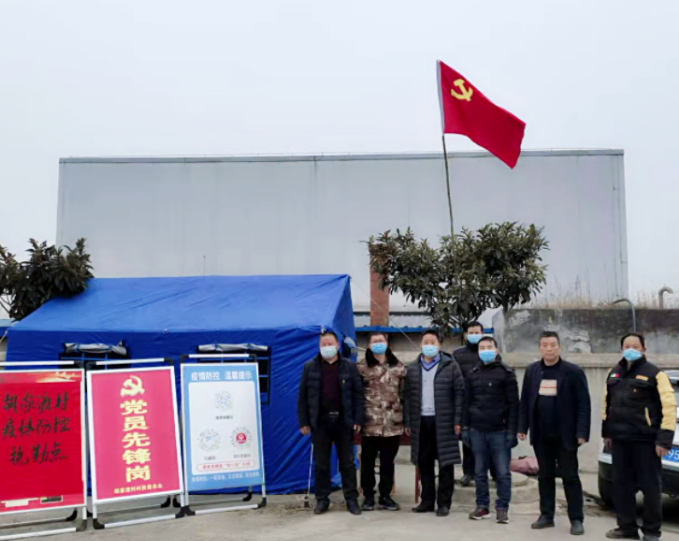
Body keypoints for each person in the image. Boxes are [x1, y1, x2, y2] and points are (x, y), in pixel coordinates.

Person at [602, 333, 677, 541]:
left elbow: (669, 408)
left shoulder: (655, 374)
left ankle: (651, 531)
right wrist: (606, 433)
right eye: (627, 346)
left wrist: (664, 440)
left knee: (651, 488)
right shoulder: (613, 373)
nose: (631, 349)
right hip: (620, 440)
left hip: (646, 442)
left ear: (644, 349)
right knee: (621, 486)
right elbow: (607, 405)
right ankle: (626, 527)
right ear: (621, 349)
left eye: (635, 346)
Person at [518, 331, 591, 536]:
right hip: (541, 434)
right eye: (544, 345)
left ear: (559, 347)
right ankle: (546, 515)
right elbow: (525, 401)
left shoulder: (573, 372)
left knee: (570, 476)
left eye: (552, 345)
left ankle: (576, 518)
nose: (549, 349)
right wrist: (522, 427)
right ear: (539, 348)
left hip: (566, 435)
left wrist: (582, 432)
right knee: (545, 476)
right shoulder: (532, 371)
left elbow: (584, 404)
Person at [297, 330, 365, 515]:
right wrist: (303, 421)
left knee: (347, 463)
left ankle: (351, 500)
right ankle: (322, 500)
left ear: (337, 345)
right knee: (321, 464)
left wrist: (357, 419)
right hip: (320, 422)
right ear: (319, 346)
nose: (327, 347)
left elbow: (358, 395)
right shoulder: (310, 367)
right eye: (323, 344)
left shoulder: (349, 366)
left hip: (344, 421)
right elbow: (302, 396)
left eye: (330, 344)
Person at [404, 328, 465, 517]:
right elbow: (407, 397)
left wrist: (458, 420)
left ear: (439, 345)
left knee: (445, 463)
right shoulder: (413, 368)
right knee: (424, 462)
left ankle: (444, 503)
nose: (429, 346)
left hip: (444, 421)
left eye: (433, 342)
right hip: (421, 421)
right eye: (426, 342)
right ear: (420, 345)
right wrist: (408, 421)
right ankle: (427, 501)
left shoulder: (451, 366)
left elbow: (459, 393)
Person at [462, 336, 519, 524]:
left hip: (500, 431)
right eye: (482, 347)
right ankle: (482, 506)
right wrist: (465, 428)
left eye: (489, 347)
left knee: (502, 473)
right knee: (479, 472)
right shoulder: (472, 373)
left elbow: (514, 405)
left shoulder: (507, 373)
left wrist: (512, 431)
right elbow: (466, 403)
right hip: (477, 430)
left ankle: (502, 508)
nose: (485, 350)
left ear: (496, 350)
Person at [357, 332, 406, 511]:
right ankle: (368, 496)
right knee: (367, 463)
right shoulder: (361, 368)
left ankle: (385, 496)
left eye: (381, 341)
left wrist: (405, 420)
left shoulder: (398, 367)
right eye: (375, 341)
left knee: (388, 462)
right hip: (370, 424)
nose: (378, 343)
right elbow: (356, 396)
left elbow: (404, 395)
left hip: (392, 424)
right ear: (369, 345)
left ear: (387, 343)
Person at [454, 321, 485, 486]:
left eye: (477, 332)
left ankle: (492, 472)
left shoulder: (489, 352)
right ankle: (468, 472)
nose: (474, 335)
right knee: (467, 441)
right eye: (471, 332)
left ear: (482, 333)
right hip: (466, 403)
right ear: (465, 335)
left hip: (486, 403)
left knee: (489, 441)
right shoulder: (457, 355)